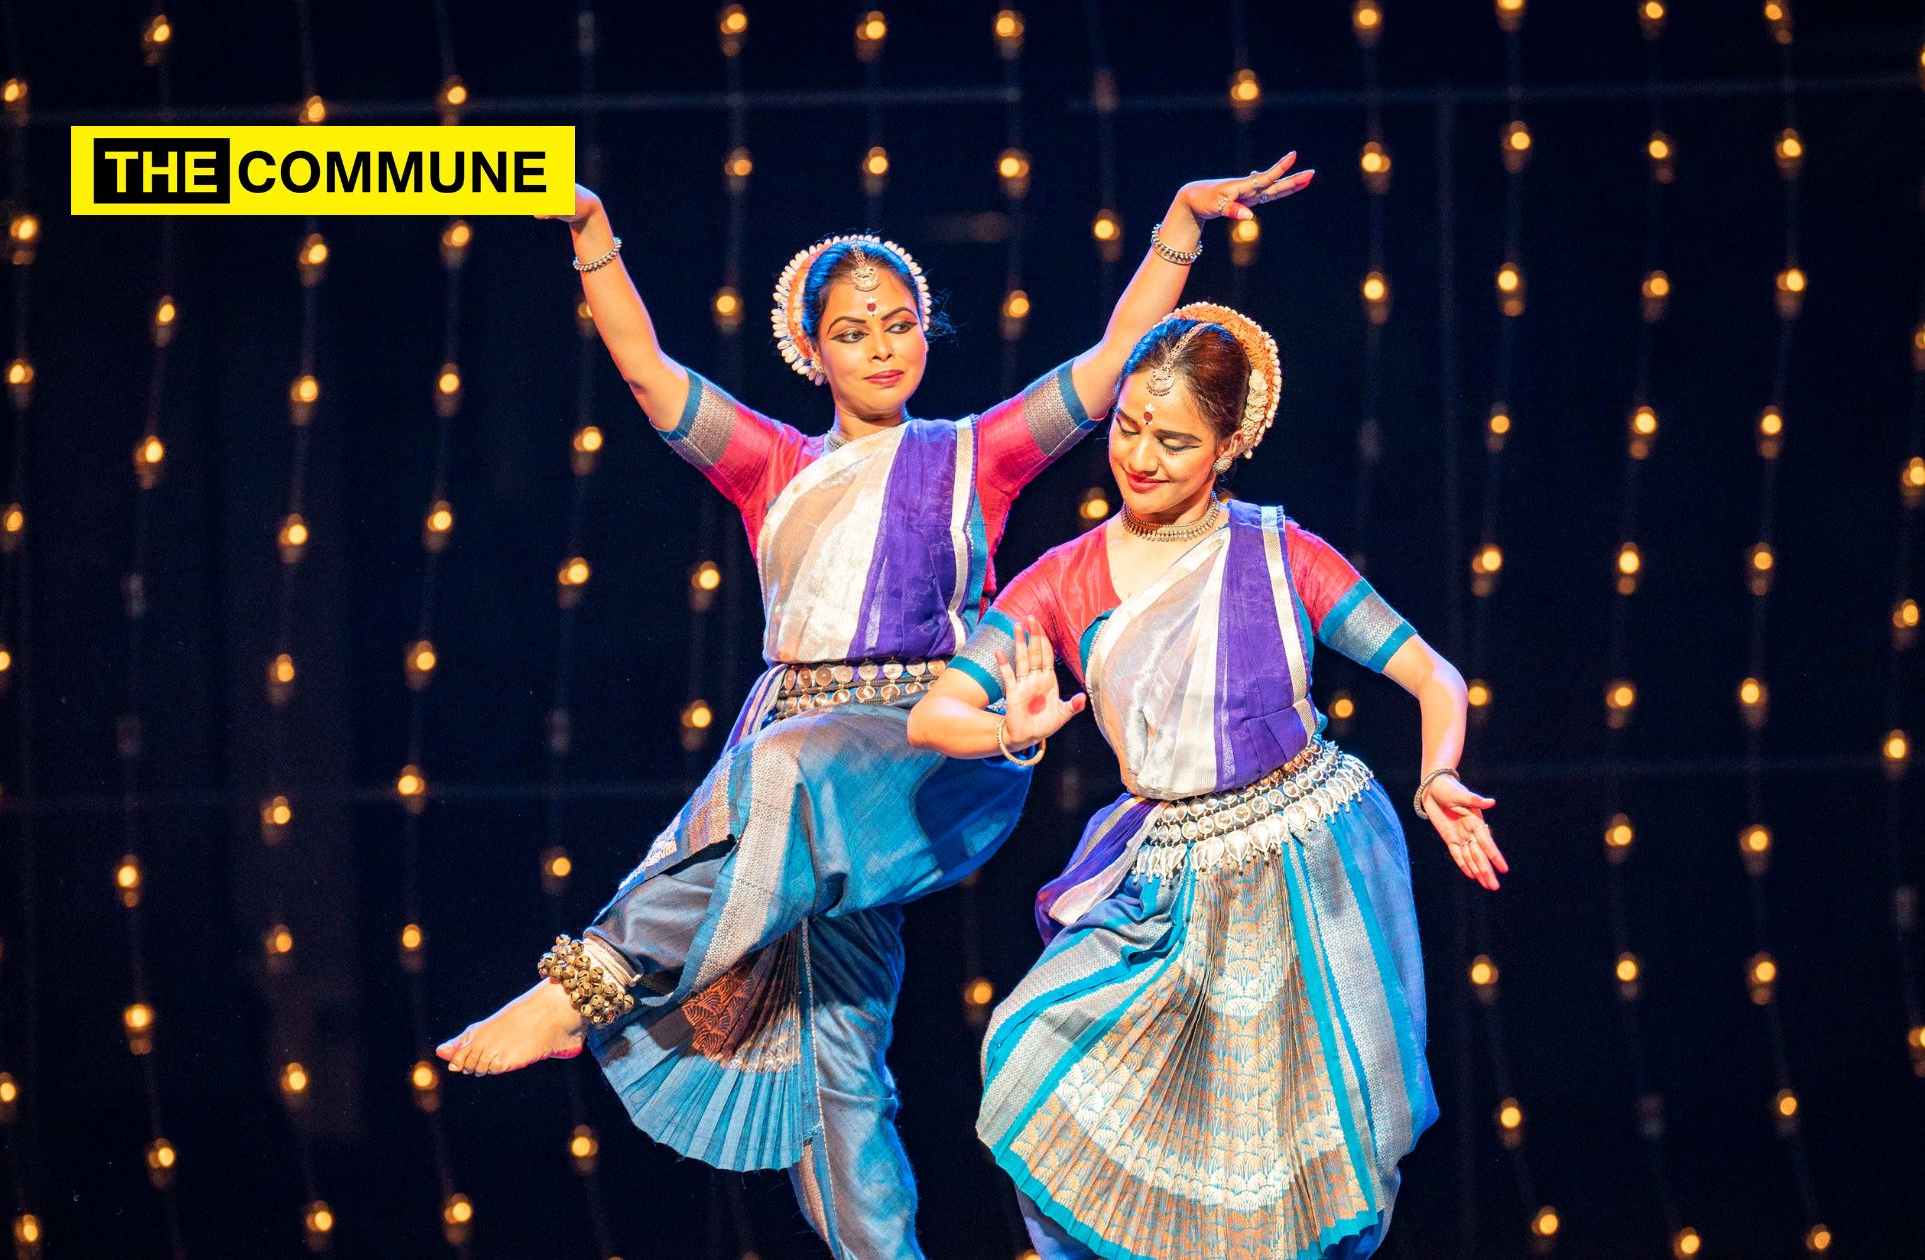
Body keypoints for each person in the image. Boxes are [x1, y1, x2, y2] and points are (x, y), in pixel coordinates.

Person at [438, 159, 1314, 1259]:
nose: (882, 345)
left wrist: (1176, 228)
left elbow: (1100, 375)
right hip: (794, 766)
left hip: (924, 746)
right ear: (814, 351)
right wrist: (591, 228)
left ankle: (590, 981)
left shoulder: (969, 456)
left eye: (898, 324)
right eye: (853, 331)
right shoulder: (774, 468)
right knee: (832, 1058)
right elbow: (650, 373)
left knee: (789, 771)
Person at [906, 304, 1503, 1259]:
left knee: (1293, 1166)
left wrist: (1437, 774)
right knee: (1030, 1058)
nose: (1141, 457)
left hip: (1309, 864)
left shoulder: (1279, 554)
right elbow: (932, 715)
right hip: (1164, 879)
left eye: (1175, 440)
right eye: (1130, 429)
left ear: (1230, 443)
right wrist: (1005, 733)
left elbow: (1431, 674)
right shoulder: (1063, 580)